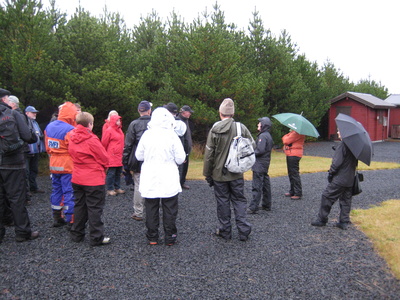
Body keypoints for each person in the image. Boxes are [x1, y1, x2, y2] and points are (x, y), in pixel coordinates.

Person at [203, 98, 254, 241]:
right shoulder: (240, 127)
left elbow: (209, 155)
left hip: (219, 175)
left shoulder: (215, 129)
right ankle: (243, 230)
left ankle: (225, 231)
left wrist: (207, 174)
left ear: (220, 112)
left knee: (222, 202)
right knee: (239, 200)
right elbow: (252, 146)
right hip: (236, 173)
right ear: (232, 113)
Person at [135, 107, 186, 246]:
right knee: (169, 207)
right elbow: (181, 158)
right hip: (168, 175)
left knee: (151, 207)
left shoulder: (147, 135)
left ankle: (152, 237)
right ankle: (170, 237)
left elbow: (138, 155)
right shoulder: (172, 135)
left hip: (150, 175)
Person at [0, 88, 39, 243]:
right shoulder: (14, 114)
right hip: (13, 163)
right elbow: (28, 136)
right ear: (4, 99)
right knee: (17, 197)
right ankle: (22, 232)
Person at [68, 112, 111, 246]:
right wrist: (104, 167)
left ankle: (77, 234)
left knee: (80, 206)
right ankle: (96, 237)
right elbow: (104, 158)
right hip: (93, 179)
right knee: (94, 208)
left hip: (77, 177)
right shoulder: (91, 139)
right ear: (90, 124)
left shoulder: (72, 137)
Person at [311, 130, 358, 230]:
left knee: (327, 196)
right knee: (346, 199)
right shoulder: (354, 146)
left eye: (339, 130)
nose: (337, 131)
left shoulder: (343, 144)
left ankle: (322, 219)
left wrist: (331, 173)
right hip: (350, 178)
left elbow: (337, 162)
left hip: (340, 178)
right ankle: (344, 221)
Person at [44, 101, 77, 229]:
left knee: (56, 190)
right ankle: (71, 220)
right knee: (69, 191)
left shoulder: (49, 127)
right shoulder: (70, 129)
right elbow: (73, 149)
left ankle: (57, 217)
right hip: (67, 165)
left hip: (53, 164)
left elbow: (47, 147)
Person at [123, 100, 152, 221]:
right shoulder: (154, 123)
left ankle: (138, 212)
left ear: (138, 110)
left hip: (137, 158)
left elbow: (128, 144)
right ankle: (152, 210)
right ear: (149, 110)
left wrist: (125, 160)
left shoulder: (133, 124)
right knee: (152, 183)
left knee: (138, 184)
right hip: (152, 157)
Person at [248, 117, 274, 213]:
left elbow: (260, 150)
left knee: (257, 185)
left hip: (259, 163)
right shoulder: (268, 135)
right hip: (265, 163)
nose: (258, 125)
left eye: (259, 123)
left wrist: (250, 153)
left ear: (263, 125)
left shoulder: (263, 136)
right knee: (265, 184)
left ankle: (253, 207)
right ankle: (267, 204)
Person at [101, 114, 125, 196]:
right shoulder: (109, 130)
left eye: (119, 120)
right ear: (113, 121)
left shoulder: (119, 130)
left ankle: (117, 187)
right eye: (117, 120)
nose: (119, 122)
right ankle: (110, 188)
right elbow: (104, 143)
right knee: (111, 173)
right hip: (112, 155)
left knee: (118, 172)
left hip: (119, 155)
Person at [25, 106, 45, 194]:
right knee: (26, 171)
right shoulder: (25, 122)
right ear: (27, 113)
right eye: (33, 112)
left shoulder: (35, 123)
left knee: (34, 169)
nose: (35, 114)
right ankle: (26, 190)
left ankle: (33, 187)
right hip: (28, 151)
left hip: (36, 150)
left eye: (35, 112)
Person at [282, 129, 305, 200]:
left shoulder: (296, 133)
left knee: (294, 173)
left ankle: (298, 193)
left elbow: (285, 140)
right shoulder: (294, 132)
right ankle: (293, 191)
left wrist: (287, 135)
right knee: (291, 173)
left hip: (294, 154)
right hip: (292, 153)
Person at [177, 105, 194, 190]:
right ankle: (178, 183)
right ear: (184, 112)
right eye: (189, 112)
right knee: (180, 167)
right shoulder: (178, 121)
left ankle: (182, 182)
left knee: (185, 167)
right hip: (181, 148)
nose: (190, 113)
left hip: (187, 148)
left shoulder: (186, 121)